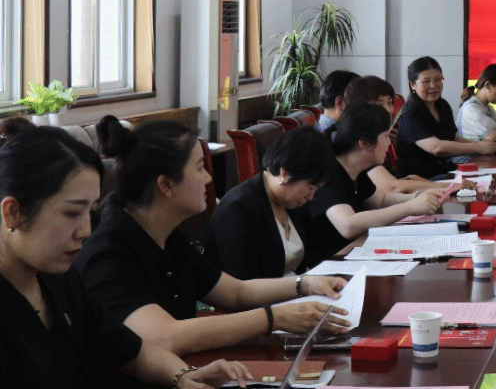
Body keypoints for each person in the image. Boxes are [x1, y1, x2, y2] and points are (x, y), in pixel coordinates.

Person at [74, 116, 350, 356]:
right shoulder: (108, 254)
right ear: (166, 184)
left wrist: (307, 284)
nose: (208, 178)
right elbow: (166, 337)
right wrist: (274, 318)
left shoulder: (166, 235)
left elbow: (237, 292)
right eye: (199, 168)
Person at [0, 127, 252, 389]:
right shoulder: (99, 258)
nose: (86, 231)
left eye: (91, 212)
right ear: (13, 213)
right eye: (72, 213)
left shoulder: (61, 280)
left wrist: (183, 375)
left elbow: (132, 352)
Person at [306, 102, 449, 261]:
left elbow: (380, 201)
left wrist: (419, 197)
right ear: (364, 143)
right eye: (386, 136)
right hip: (330, 263)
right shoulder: (328, 172)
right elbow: (348, 225)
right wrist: (410, 207)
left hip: (356, 252)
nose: (389, 143)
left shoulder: (355, 168)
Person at [209, 127, 335, 280]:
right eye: (310, 187)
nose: (311, 196)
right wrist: (303, 287)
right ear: (285, 173)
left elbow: (311, 255)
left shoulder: (293, 203)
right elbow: (244, 285)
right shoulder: (237, 210)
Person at [342, 76, 460, 204]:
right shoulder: (362, 142)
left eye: (389, 103)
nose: (388, 110)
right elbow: (392, 188)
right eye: (379, 104)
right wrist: (449, 187)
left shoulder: (381, 136)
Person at [395, 56, 496, 179]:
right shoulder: (409, 114)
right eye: (426, 81)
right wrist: (478, 147)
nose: (433, 85)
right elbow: (436, 148)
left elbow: (454, 138)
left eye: (438, 79)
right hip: (422, 180)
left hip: (445, 171)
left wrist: (484, 145)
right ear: (412, 85)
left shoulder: (443, 105)